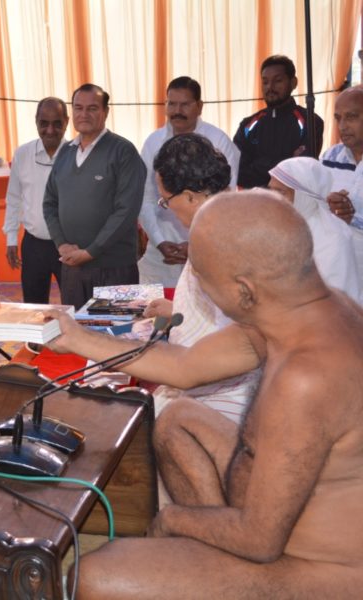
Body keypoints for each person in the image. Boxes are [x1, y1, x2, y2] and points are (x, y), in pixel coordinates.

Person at [49, 191, 363, 598]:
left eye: (200, 273)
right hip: (270, 520)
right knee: (179, 419)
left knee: (93, 575)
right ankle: (205, 562)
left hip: (320, 568)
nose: (195, 281)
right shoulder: (310, 311)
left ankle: (205, 565)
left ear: (244, 290)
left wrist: (173, 520)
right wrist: (77, 338)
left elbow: (260, 540)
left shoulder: (307, 377)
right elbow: (185, 366)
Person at [148, 134, 360, 423]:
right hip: (215, 365)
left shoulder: (240, 234)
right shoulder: (222, 223)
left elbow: (245, 329)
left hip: (236, 383)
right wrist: (178, 311)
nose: (167, 207)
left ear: (189, 196)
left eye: (165, 200)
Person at [42, 83, 145, 309]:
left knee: (115, 329)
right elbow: (49, 203)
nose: (84, 114)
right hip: (72, 268)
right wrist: (62, 245)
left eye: (92, 108)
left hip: (114, 269)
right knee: (76, 329)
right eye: (78, 108)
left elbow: (126, 211)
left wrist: (91, 251)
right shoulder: (66, 151)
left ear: (105, 112)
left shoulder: (123, 151)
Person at [138, 77, 239, 287]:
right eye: (172, 104)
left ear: (199, 106)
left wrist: (195, 245)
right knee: (152, 304)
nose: (177, 111)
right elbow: (145, 198)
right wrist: (158, 241)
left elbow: (225, 200)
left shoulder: (218, 141)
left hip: (208, 244)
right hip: (161, 247)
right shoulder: (153, 142)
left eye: (185, 104)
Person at [268, 157, 361, 302]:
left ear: (303, 196)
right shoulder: (271, 227)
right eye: (271, 190)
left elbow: (337, 303)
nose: (273, 198)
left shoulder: (332, 239)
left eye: (281, 192)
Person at [3, 97, 67, 303]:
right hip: (33, 245)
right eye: (44, 123)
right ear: (36, 122)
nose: (50, 130)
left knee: (75, 304)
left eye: (57, 123)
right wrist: (11, 239)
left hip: (69, 245)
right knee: (34, 307)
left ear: (67, 122)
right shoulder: (23, 154)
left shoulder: (76, 154)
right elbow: (13, 198)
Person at [233, 55, 324, 189]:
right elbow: (238, 171)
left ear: (293, 83)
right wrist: (287, 160)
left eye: (278, 81)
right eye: (265, 82)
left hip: (293, 199)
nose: (270, 87)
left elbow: (302, 170)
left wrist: (258, 165)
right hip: (253, 199)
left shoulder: (310, 121)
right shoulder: (248, 125)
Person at [320, 85, 363, 216]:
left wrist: (350, 217)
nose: (342, 126)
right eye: (338, 118)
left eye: (351, 117)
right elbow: (314, 203)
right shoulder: (330, 157)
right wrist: (329, 206)